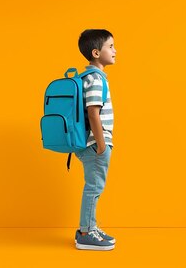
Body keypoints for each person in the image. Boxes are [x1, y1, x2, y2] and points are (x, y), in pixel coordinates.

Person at [73, 29, 117, 251]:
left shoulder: (88, 78)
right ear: (96, 52)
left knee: (94, 187)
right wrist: (101, 145)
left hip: (90, 143)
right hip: (95, 144)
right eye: (110, 46)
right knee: (94, 187)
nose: (115, 51)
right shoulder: (96, 79)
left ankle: (89, 226)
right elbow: (93, 112)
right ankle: (85, 232)